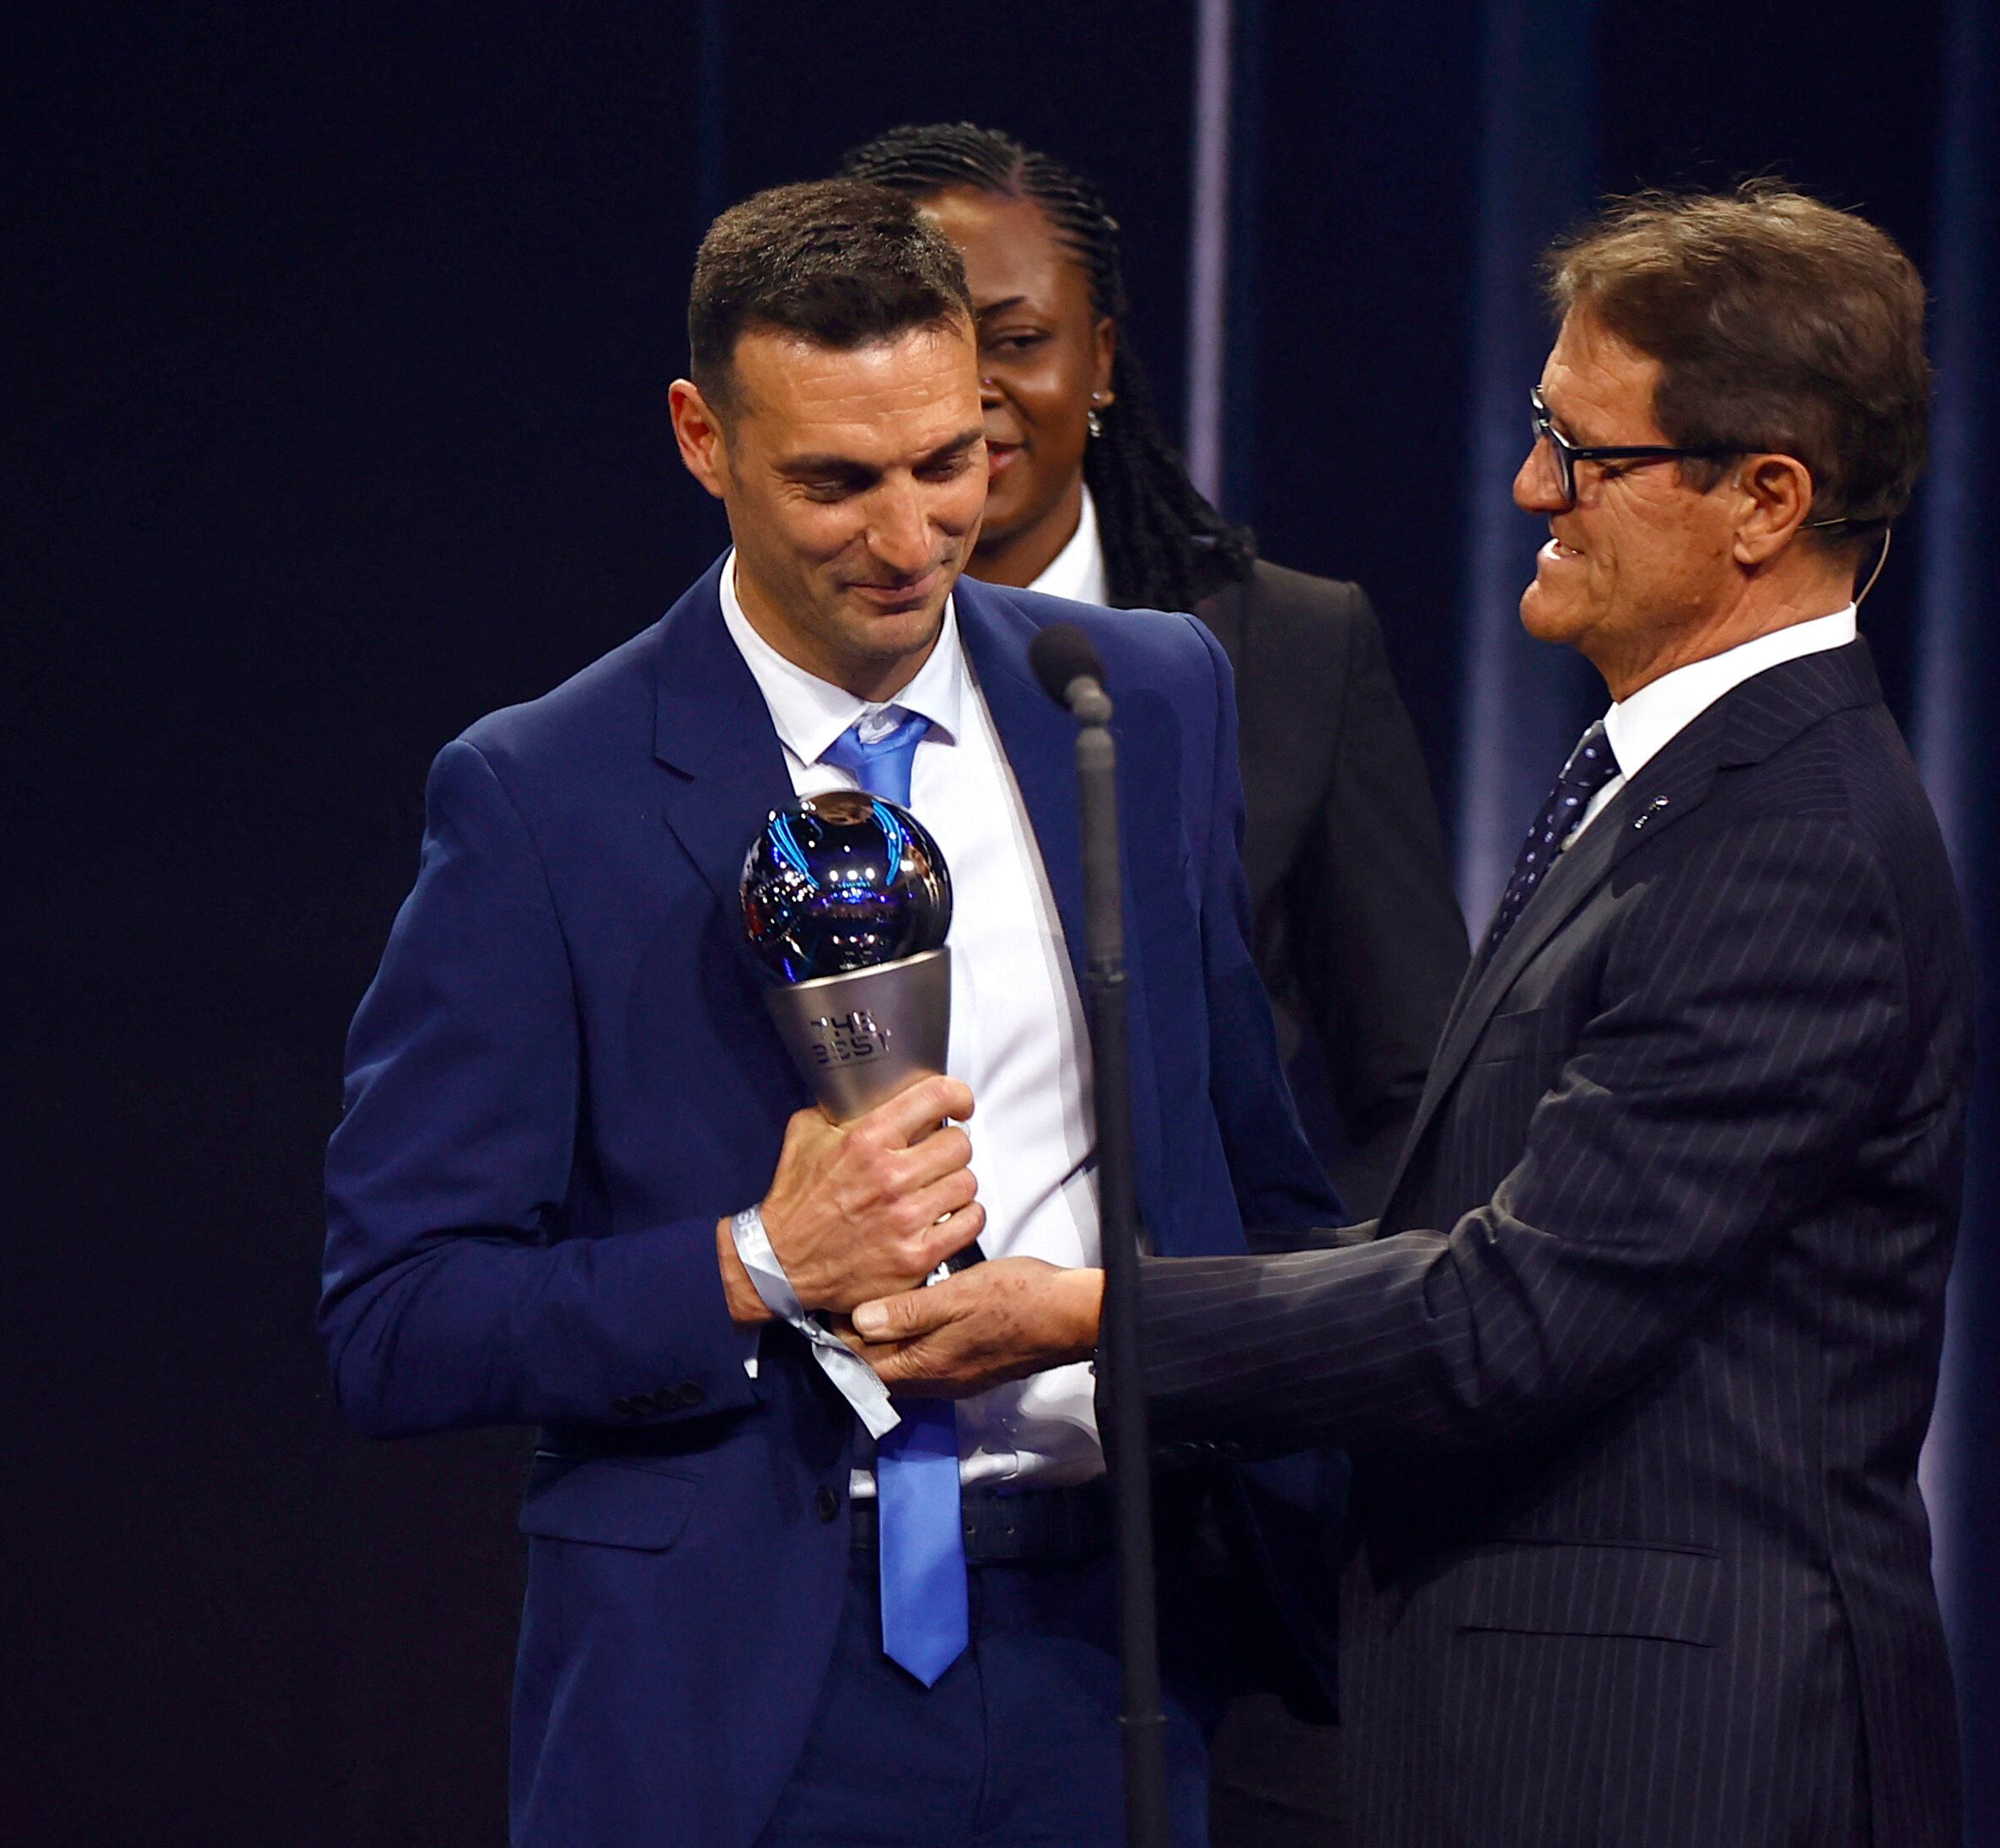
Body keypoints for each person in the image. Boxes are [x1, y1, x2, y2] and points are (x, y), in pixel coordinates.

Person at [849, 182, 1972, 1848]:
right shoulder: (1669, 794)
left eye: (1583, 454)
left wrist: (1090, 1312)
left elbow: (1508, 1317)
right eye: (1539, 426)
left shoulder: (1787, 847)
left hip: (1664, 1757)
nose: (1529, 484)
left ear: (1763, 499)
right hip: (1527, 1728)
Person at [319, 179, 1337, 1848]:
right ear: (700, 439)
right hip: (739, 1690)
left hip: (1118, 1657)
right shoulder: (537, 796)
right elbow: (396, 1319)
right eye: (833, 482)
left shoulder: (1137, 701)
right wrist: (756, 1262)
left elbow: (1253, 1167)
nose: (906, 535)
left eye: (950, 464)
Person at [841, 123, 1470, 1223]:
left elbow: (1421, 1094)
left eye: (1018, 339)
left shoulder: (1288, 652)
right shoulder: (752, 661)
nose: (965, 394)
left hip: (1186, 1374)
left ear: (1099, 361)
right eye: (919, 341)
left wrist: (1258, 1322)